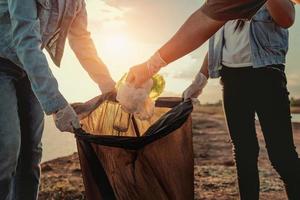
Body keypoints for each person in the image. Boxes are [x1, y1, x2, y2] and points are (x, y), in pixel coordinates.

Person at [183, 1, 299, 199]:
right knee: (244, 153)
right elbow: (214, 42)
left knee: (282, 157)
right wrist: (199, 80)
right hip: (231, 80)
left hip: (267, 76)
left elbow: (287, 19)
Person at [0, 0, 115, 199]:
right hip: (2, 61)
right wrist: (57, 105)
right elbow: (25, 40)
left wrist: (109, 86)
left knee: (31, 153)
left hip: (28, 69)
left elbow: (81, 40)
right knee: (7, 149)